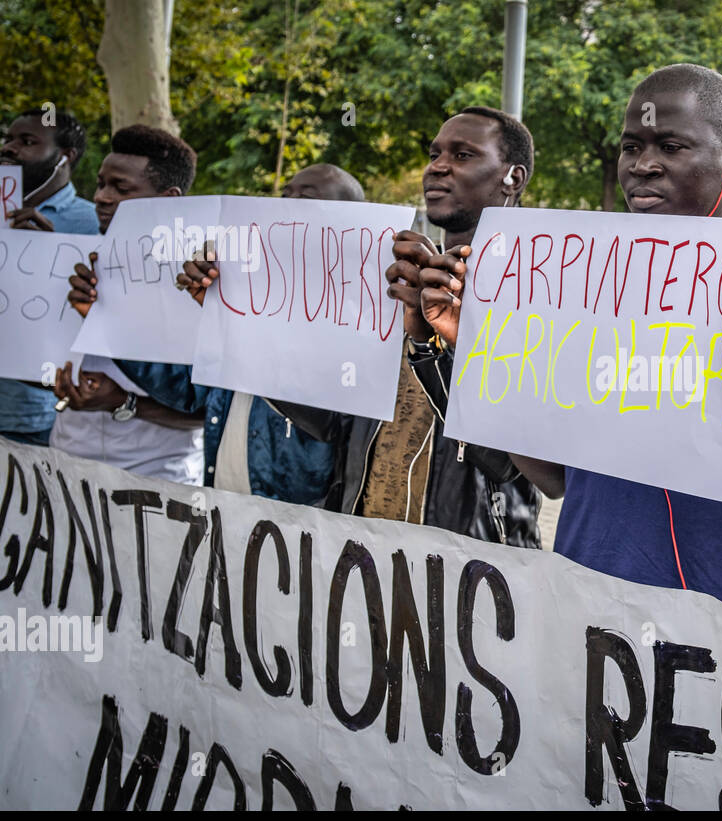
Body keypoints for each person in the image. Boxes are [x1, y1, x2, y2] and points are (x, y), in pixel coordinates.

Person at [487, 65, 722, 624]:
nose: (643, 165)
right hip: (582, 623)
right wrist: (482, 354)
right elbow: (554, 479)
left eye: (671, 145)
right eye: (631, 146)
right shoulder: (579, 290)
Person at [179, 111, 541, 546]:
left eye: (463, 154)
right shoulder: (392, 277)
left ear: (513, 177)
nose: (437, 166)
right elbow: (332, 424)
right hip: (364, 562)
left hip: (473, 571)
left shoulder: (536, 291)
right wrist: (233, 319)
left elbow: (508, 463)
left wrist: (433, 346)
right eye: (433, 154)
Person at [100, 164, 367, 506]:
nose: (284, 206)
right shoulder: (240, 298)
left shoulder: (355, 321)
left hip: (301, 529)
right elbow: (189, 393)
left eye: (305, 200)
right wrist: (106, 320)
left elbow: (336, 426)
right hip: (224, 512)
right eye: (284, 195)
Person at [53, 125, 205, 484]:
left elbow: (208, 412)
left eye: (121, 188)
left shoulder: (200, 282)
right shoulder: (75, 262)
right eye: (100, 184)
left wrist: (124, 402)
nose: (102, 197)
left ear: (169, 199)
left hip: (158, 479)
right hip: (63, 465)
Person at [0, 107, 98, 445]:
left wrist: (45, 255)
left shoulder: (93, 224)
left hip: (31, 418)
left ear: (64, 157)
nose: (9, 148)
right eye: (8, 139)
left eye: (27, 141)